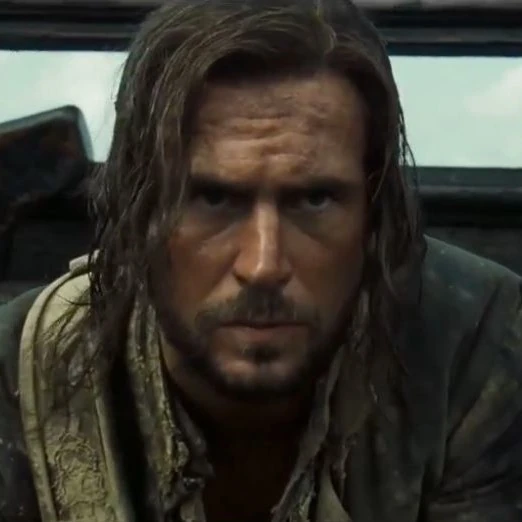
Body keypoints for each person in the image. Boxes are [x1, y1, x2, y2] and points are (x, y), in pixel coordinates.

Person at [1, 0, 521, 520]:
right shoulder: (21, 377)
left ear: (374, 217)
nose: (263, 265)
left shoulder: (477, 349)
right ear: (138, 212)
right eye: (212, 198)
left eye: (314, 200)